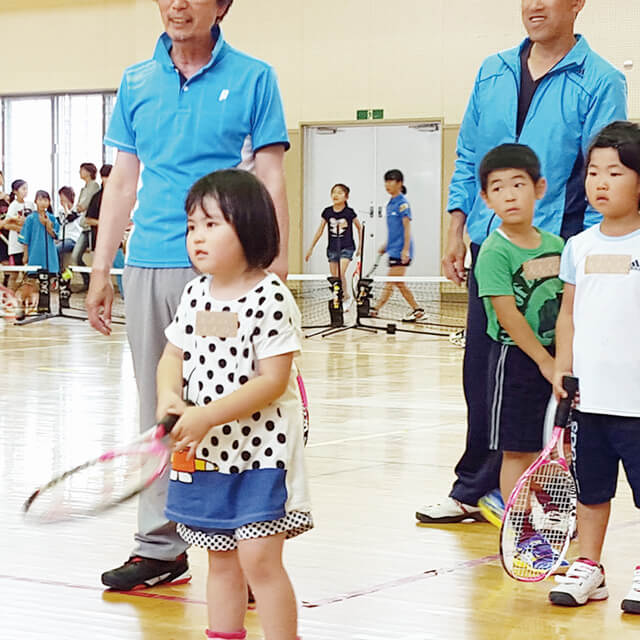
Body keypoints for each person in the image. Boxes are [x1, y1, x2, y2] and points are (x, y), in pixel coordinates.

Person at [87, 0, 290, 592]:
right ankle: (160, 547)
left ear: (223, 5)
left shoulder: (255, 77)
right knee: (164, 408)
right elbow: (122, 180)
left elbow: (270, 174)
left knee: (238, 403)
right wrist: (104, 267)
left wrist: (270, 265)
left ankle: (249, 546)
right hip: (150, 258)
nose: (179, 4)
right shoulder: (136, 81)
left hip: (232, 270)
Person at [416, 0, 628, 525]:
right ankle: (473, 486)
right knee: (483, 372)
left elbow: (599, 169)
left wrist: (581, 251)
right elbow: (468, 154)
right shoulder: (494, 70)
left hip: (556, 253)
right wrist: (456, 225)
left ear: (576, 3)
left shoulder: (600, 80)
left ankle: (552, 495)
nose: (533, 5)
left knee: (549, 377)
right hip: (492, 245)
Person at [158, 169, 310, 640]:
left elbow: (273, 381)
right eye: (191, 227)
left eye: (211, 224)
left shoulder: (270, 297)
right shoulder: (194, 294)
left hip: (262, 451)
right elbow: (172, 355)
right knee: (219, 558)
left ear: (248, 227)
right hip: (207, 454)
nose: (197, 237)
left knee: (259, 561)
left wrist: (206, 414)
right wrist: (170, 397)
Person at [548, 121, 640, 611]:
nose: (600, 183)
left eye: (617, 172)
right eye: (593, 172)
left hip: (638, 400)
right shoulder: (578, 246)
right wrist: (564, 368)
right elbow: (568, 313)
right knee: (591, 490)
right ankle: (590, 566)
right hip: (591, 399)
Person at [475, 144, 565, 568]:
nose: (509, 195)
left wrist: (561, 357)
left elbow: (567, 306)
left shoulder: (557, 245)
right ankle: (520, 530)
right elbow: (508, 316)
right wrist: (544, 362)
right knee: (517, 450)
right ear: (486, 199)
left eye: (518, 184)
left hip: (555, 357)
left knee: (543, 448)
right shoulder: (495, 251)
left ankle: (526, 508)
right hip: (514, 361)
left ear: (539, 188)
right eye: (498, 188)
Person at [369, 169, 423, 322]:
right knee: (398, 282)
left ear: (400, 184)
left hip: (401, 251)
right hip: (392, 249)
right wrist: (386, 245)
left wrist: (405, 250)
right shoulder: (390, 204)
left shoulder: (402, 204)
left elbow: (406, 228)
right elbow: (394, 230)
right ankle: (417, 310)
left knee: (391, 281)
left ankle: (376, 309)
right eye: (386, 181)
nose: (387, 184)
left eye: (391, 181)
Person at [304, 183, 361, 309]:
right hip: (332, 249)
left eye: (340, 193)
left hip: (347, 247)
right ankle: (345, 296)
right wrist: (311, 248)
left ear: (346, 197)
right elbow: (320, 231)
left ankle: (343, 298)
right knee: (335, 278)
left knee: (341, 273)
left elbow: (359, 228)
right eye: (334, 192)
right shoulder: (327, 212)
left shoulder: (349, 212)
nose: (336, 195)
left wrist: (360, 246)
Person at [72, 164, 113, 291]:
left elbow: (83, 206)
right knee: (77, 257)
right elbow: (79, 207)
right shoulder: (85, 189)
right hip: (87, 226)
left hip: (94, 229)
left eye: (82, 170)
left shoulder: (94, 187)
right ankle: (89, 283)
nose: (79, 172)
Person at [18, 190, 60, 274]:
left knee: (51, 279)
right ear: (35, 201)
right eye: (40, 200)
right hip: (34, 253)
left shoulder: (52, 218)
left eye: (45, 200)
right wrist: (25, 256)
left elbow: (56, 236)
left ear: (49, 202)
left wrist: (48, 226)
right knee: (34, 279)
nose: (43, 203)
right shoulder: (30, 218)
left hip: (50, 256)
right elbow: (25, 239)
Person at [5, 180, 35, 290]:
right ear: (15, 191)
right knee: (14, 273)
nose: (25, 191)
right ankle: (10, 296)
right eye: (23, 189)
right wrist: (21, 227)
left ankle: (26, 297)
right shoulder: (13, 206)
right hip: (16, 245)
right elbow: (7, 224)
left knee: (29, 274)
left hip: (29, 245)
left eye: (26, 188)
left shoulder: (31, 205)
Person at [55, 186, 81, 265]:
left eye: (62, 197)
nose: (61, 201)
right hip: (62, 238)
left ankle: (57, 272)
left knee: (56, 249)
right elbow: (58, 224)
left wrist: (66, 207)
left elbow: (70, 218)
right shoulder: (60, 211)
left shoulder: (77, 210)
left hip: (72, 239)